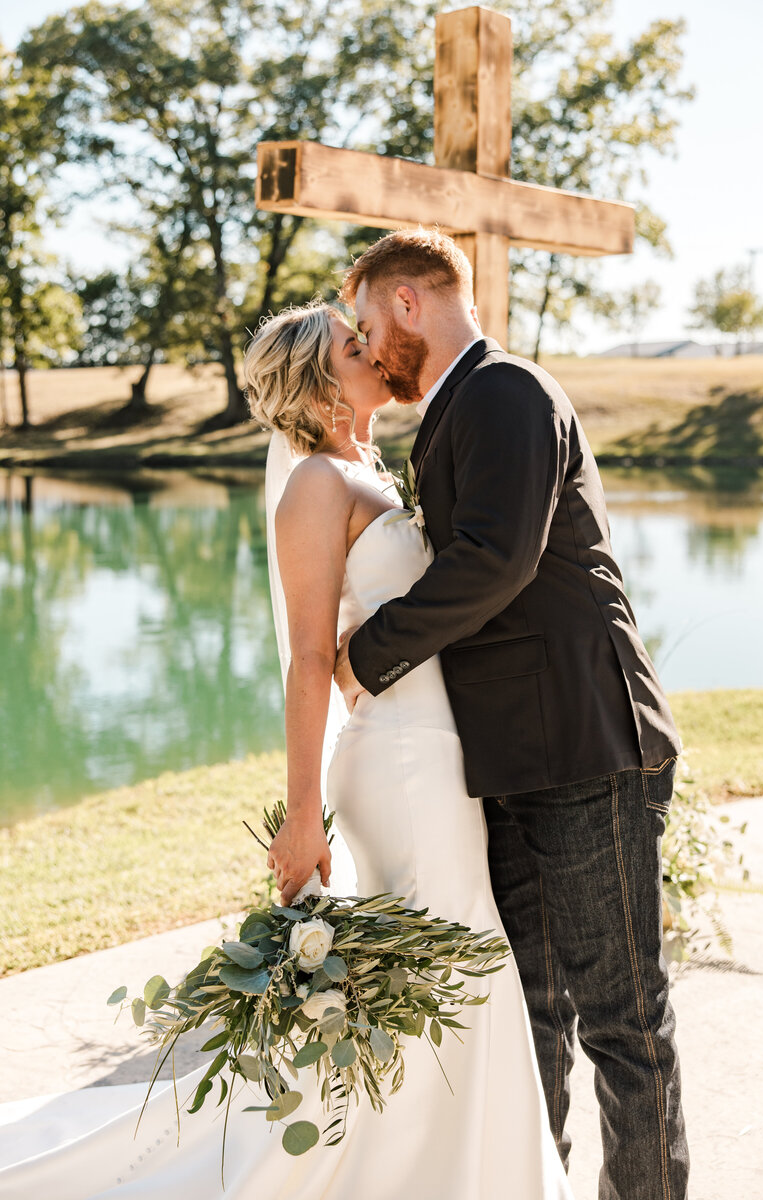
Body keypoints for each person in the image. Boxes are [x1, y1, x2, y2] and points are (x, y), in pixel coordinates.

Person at [0, 300, 573, 1200]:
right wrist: (303, 815)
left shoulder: (371, 469)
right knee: (463, 963)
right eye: (355, 346)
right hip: (399, 763)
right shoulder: (316, 484)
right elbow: (310, 660)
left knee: (452, 970)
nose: (375, 350)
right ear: (318, 381)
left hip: (440, 753)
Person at [332, 228, 690, 1200]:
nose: (367, 346)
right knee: (529, 1012)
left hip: (583, 746)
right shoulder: (452, 413)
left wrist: (365, 654)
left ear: (407, 302)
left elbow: (495, 560)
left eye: (368, 321)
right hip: (509, 763)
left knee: (618, 1016)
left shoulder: (505, 392)